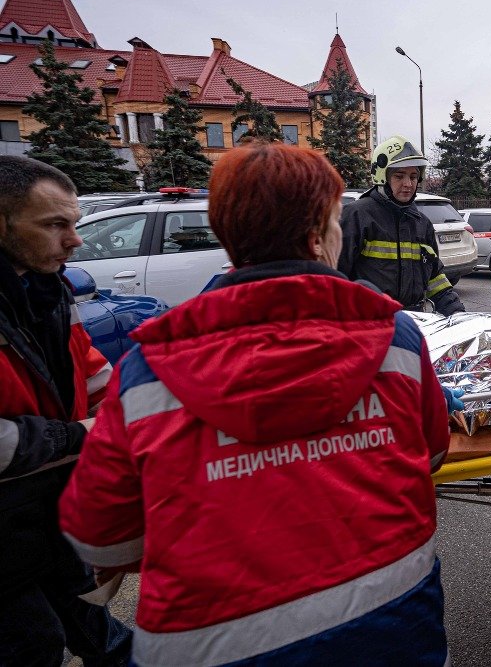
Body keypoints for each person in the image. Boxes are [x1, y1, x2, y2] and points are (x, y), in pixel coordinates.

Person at [59, 143, 452, 666]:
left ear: (226, 234)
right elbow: (431, 453)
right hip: (395, 632)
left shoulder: (148, 369)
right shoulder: (394, 337)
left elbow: (102, 537)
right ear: (320, 236)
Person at [0, 156, 132, 665]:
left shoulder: (48, 289)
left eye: (74, 223)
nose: (75, 240)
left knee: (98, 627)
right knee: (33, 643)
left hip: (53, 509)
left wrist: (130, 414)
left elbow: (91, 373)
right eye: (56, 225)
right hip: (8, 523)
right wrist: (81, 436)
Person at [339, 136, 465, 315]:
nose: (408, 184)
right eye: (399, 176)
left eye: (413, 176)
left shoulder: (422, 224)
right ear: (382, 176)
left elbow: (434, 277)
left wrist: (457, 313)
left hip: (415, 320)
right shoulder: (356, 216)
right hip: (369, 322)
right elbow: (333, 276)